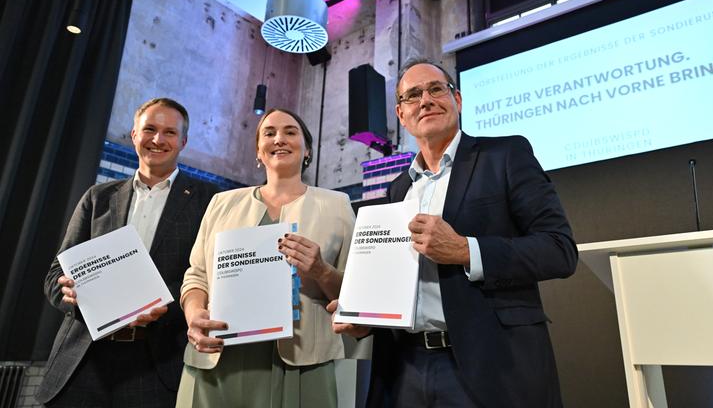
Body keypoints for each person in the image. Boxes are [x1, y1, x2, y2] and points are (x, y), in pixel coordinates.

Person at [330, 58, 579, 408]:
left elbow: (560, 249)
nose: (426, 100)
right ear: (402, 115)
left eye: (435, 89)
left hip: (489, 366)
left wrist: (466, 250)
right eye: (413, 95)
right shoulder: (397, 190)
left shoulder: (505, 155)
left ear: (457, 100)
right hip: (403, 369)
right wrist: (365, 318)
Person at [36, 98, 220, 407]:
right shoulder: (98, 197)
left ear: (183, 141)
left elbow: (209, 278)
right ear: (134, 135)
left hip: (156, 365)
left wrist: (165, 305)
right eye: (149, 129)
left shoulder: (208, 201)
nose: (158, 139)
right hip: (83, 360)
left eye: (169, 132)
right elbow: (56, 274)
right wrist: (67, 292)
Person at [177, 108, 356, 407]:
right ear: (258, 150)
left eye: (290, 131)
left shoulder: (337, 206)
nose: (279, 139)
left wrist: (322, 270)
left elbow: (357, 294)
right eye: (269, 133)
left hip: (303, 361)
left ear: (307, 149)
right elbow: (197, 275)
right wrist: (194, 315)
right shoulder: (221, 203)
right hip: (220, 357)